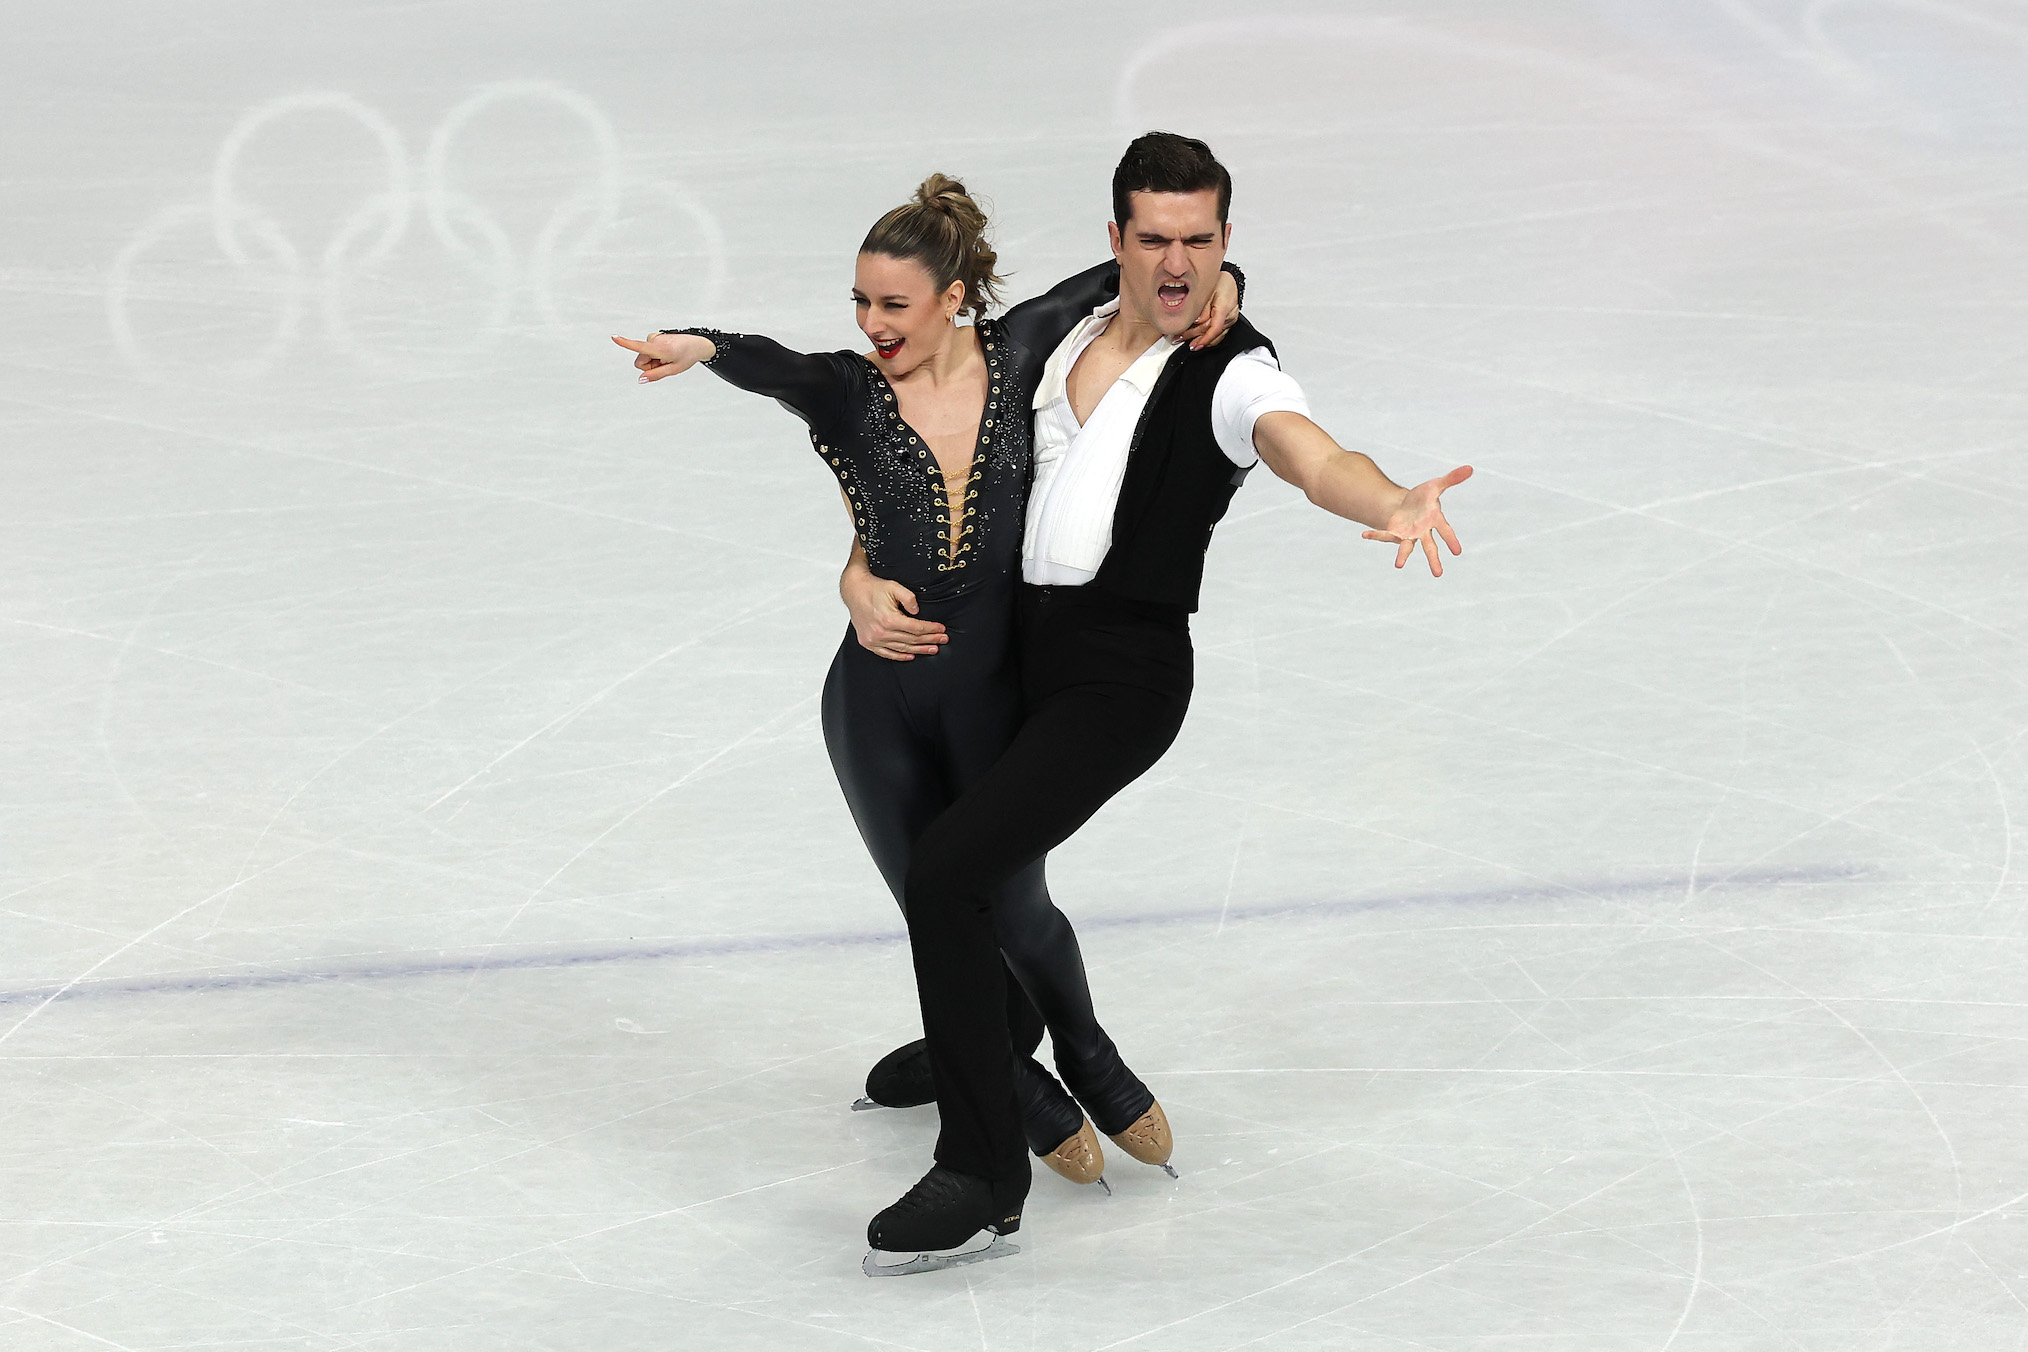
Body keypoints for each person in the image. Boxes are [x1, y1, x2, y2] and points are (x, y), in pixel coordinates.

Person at [852, 132, 1473, 1274]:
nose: (1178, 262)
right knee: (977, 873)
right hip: (1003, 652)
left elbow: (1307, 450)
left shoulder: (1235, 369)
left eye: (1200, 240)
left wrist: (1384, 498)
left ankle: (984, 1169)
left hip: (1118, 680)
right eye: (1156, 238)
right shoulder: (1063, 337)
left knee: (949, 870)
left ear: (1227, 244)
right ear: (1117, 243)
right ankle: (994, 1039)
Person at [609, 176, 1243, 1209]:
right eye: (861, 301)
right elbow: (774, 363)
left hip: (993, 694)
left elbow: (1144, 270)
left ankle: (1085, 1049)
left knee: (1018, 903)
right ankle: (1015, 1086)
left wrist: (1228, 283)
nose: (871, 324)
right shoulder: (849, 392)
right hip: (873, 705)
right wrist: (701, 344)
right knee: (931, 903)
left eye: (893, 304)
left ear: (953, 298)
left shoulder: (1023, 352)